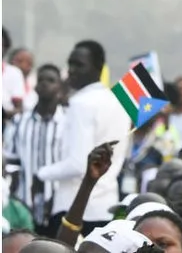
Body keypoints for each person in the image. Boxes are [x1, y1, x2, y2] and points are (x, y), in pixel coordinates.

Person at [35, 41, 130, 234]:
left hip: (74, 208)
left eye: (79, 65)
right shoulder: (121, 102)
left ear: (98, 68)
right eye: (70, 63)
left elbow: (78, 164)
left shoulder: (80, 103)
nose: (71, 70)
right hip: (106, 206)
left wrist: (41, 174)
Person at [2, 65, 66, 236]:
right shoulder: (18, 122)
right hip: (24, 203)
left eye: (51, 80)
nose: (45, 84)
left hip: (58, 205)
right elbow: (11, 161)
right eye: (41, 80)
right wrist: (14, 196)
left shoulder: (69, 123)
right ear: (35, 86)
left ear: (59, 86)